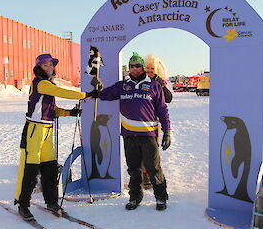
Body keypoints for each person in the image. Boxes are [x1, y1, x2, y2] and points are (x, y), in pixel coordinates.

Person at [14, 54, 97, 220]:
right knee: (30, 170)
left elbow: (53, 109)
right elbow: (62, 92)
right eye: (45, 66)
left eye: (51, 65)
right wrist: (86, 95)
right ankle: (23, 205)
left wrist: (69, 112)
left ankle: (52, 202)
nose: (49, 68)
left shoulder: (48, 85)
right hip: (34, 131)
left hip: (47, 131)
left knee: (50, 169)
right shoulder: (41, 83)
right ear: (39, 68)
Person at [98, 52, 171, 211]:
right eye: (132, 66)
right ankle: (135, 197)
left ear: (143, 67)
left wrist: (167, 131)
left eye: (138, 66)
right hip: (129, 135)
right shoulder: (123, 85)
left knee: (153, 167)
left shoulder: (153, 85)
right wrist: (98, 88)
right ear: (128, 68)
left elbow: (163, 110)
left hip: (148, 135)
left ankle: (160, 197)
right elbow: (105, 95)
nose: (135, 68)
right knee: (133, 168)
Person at [141, 55, 172, 189]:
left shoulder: (160, 82)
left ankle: (151, 175)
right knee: (140, 151)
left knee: (152, 150)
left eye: (152, 68)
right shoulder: (139, 80)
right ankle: (144, 174)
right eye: (147, 68)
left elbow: (168, 99)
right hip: (139, 121)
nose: (149, 70)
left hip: (154, 123)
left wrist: (160, 83)